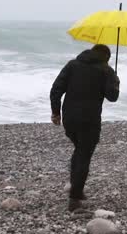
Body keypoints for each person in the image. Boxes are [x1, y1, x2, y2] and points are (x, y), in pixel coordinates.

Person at [50, 44, 120, 210]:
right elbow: (113, 97)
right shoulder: (105, 71)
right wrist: (115, 80)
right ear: (106, 58)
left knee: (79, 150)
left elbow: (56, 89)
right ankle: (74, 197)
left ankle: (77, 189)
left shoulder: (72, 65)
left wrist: (55, 112)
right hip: (90, 119)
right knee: (84, 154)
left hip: (70, 118)